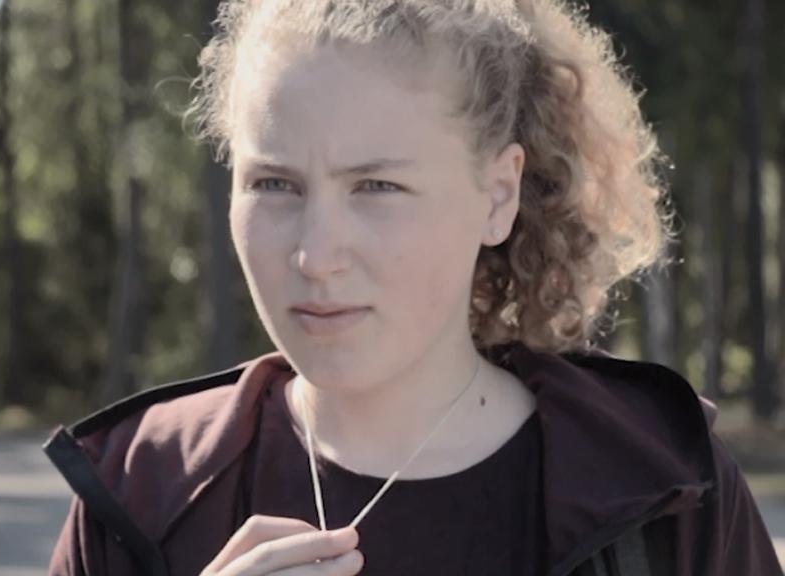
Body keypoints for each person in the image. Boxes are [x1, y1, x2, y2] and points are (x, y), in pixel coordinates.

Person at [45, 0, 783, 574]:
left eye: (377, 186)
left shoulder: (663, 494)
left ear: (498, 194)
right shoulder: (140, 493)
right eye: (274, 183)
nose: (316, 255)